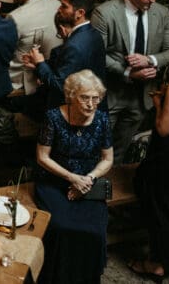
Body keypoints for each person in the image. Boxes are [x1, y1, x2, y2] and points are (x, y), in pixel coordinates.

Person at [34, 70, 112, 284]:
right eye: (84, 97)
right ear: (71, 96)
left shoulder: (103, 119)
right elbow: (42, 157)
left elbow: (107, 159)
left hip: (88, 181)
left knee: (94, 231)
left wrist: (88, 179)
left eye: (95, 98)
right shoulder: (53, 116)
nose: (90, 104)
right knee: (60, 226)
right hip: (55, 178)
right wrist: (72, 178)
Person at [92, 0, 169, 162]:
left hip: (141, 97)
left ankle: (113, 184)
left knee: (120, 149)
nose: (153, 1)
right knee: (97, 147)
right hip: (110, 94)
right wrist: (127, 72)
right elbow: (95, 54)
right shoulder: (105, 13)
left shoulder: (162, 13)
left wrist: (150, 60)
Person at [23, 0, 105, 111]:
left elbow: (60, 87)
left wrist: (40, 63)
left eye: (64, 6)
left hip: (75, 112)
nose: (59, 10)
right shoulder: (94, 34)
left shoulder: (74, 45)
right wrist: (38, 65)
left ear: (80, 13)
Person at [131, 79, 169, 279]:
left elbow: (164, 128)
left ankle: (156, 264)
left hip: (166, 160)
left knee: (160, 209)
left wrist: (158, 105)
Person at [7, 0, 62, 95]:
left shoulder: (15, 16)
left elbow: (6, 50)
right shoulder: (56, 4)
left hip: (23, 75)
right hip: (54, 67)